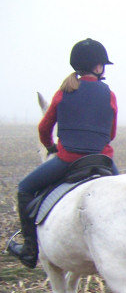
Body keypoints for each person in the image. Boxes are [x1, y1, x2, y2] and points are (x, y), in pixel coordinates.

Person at [7, 38, 119, 268]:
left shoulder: (63, 93)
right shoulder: (109, 94)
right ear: (98, 66)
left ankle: (29, 250)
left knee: (25, 188)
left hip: (68, 160)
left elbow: (43, 128)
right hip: (103, 160)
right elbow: (111, 133)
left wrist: (51, 147)